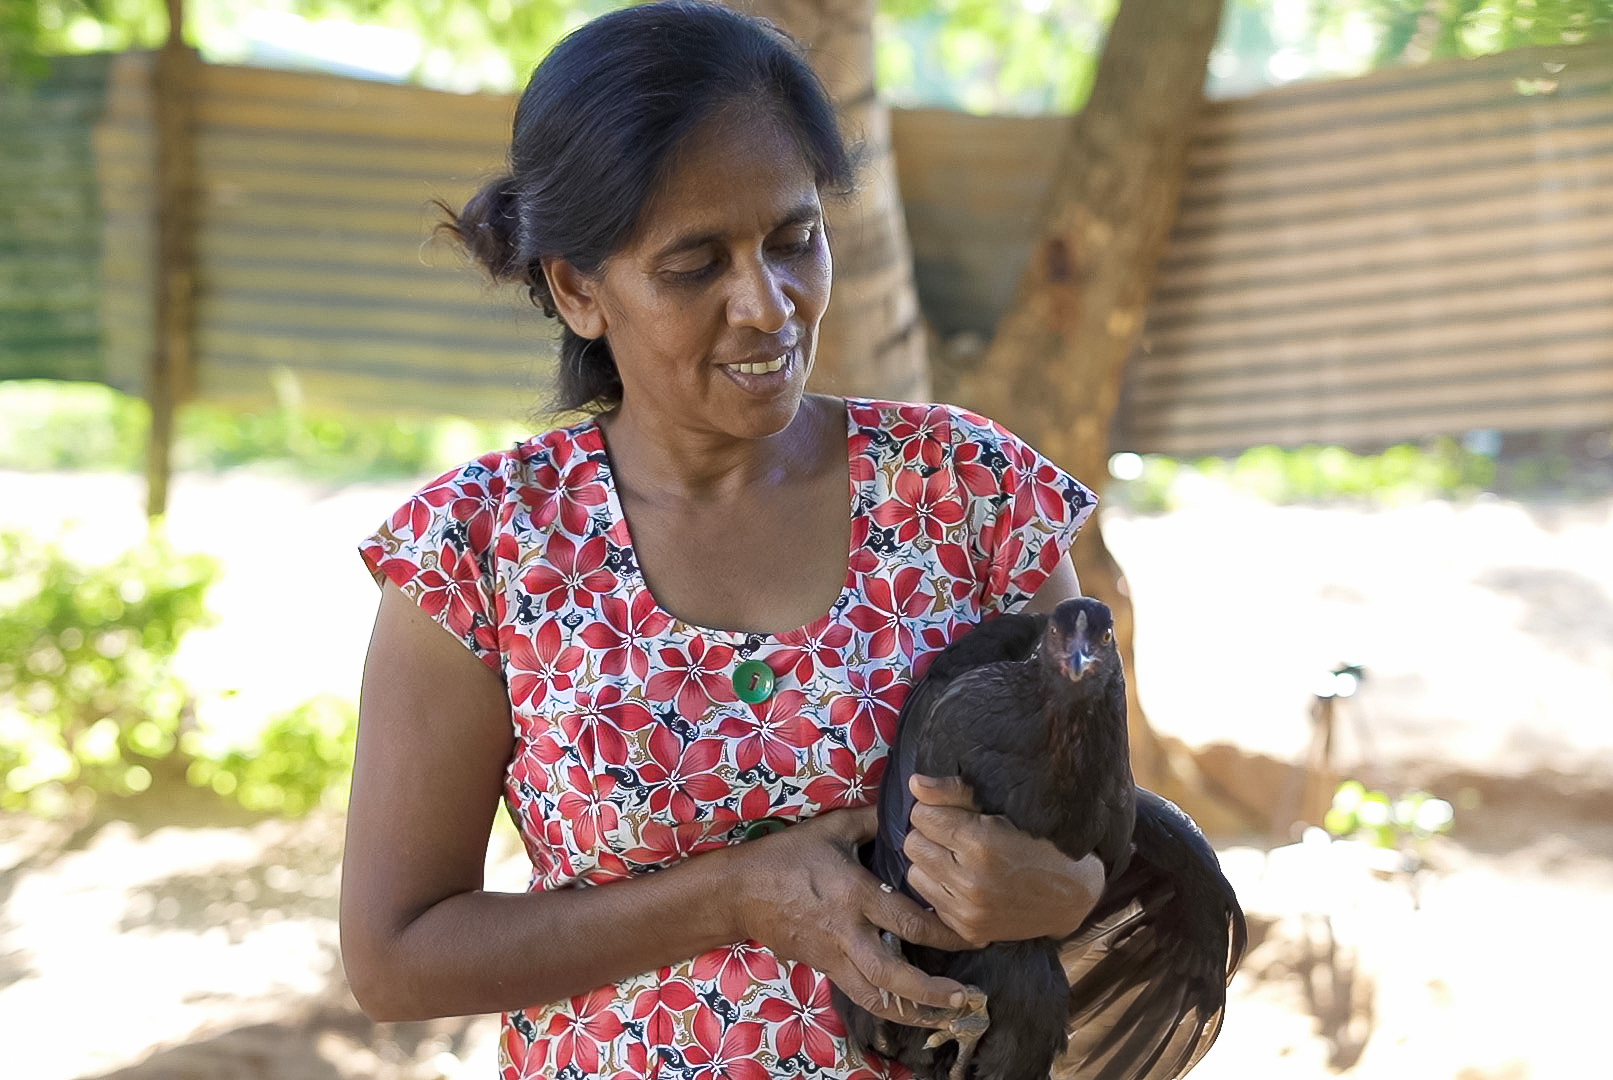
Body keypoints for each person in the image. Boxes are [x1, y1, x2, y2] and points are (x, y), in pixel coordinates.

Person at [339, 4, 1105, 1076]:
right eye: (696, 265)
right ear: (576, 287)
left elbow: (1107, 833)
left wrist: (1061, 889)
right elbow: (394, 956)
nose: (767, 304)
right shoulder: (479, 555)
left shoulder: (970, 494)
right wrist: (737, 896)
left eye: (795, 241)